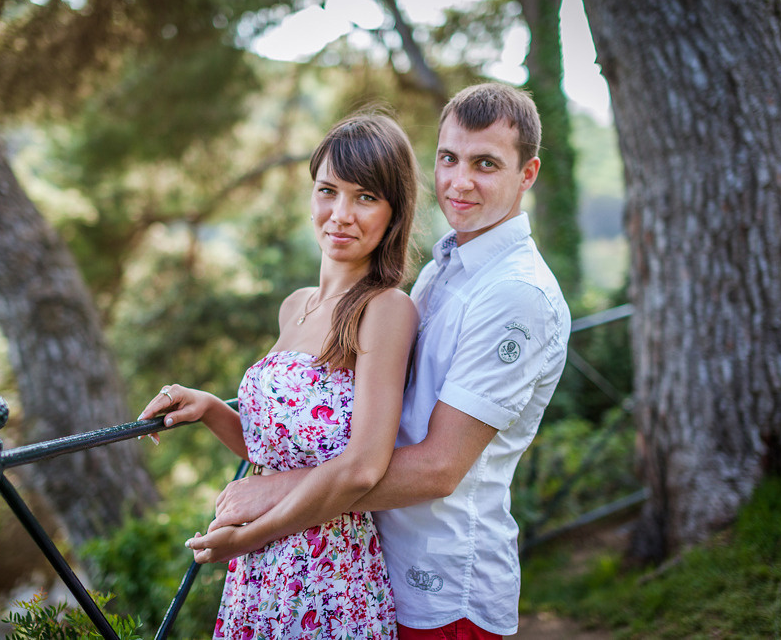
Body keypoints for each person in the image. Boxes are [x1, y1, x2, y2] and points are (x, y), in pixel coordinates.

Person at [195, 82, 571, 639]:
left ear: (528, 174)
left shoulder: (515, 294)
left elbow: (441, 468)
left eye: (486, 163)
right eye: (448, 158)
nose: (460, 180)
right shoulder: (446, 268)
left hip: (443, 587)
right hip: (369, 563)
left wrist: (274, 489)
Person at [137, 112, 420, 639]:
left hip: (330, 577)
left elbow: (361, 468)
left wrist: (247, 538)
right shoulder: (295, 307)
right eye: (328, 191)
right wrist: (210, 409)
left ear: (393, 213)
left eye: (365, 198)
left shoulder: (386, 309)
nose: (340, 214)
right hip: (260, 578)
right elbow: (274, 451)